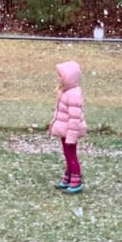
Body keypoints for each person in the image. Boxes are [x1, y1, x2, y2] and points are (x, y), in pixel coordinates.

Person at [48, 60, 88, 193]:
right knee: (67, 154)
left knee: (71, 155)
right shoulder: (66, 92)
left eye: (61, 76)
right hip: (65, 130)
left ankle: (76, 179)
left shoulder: (74, 95)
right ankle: (68, 176)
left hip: (70, 132)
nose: (58, 79)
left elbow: (74, 118)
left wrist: (71, 136)